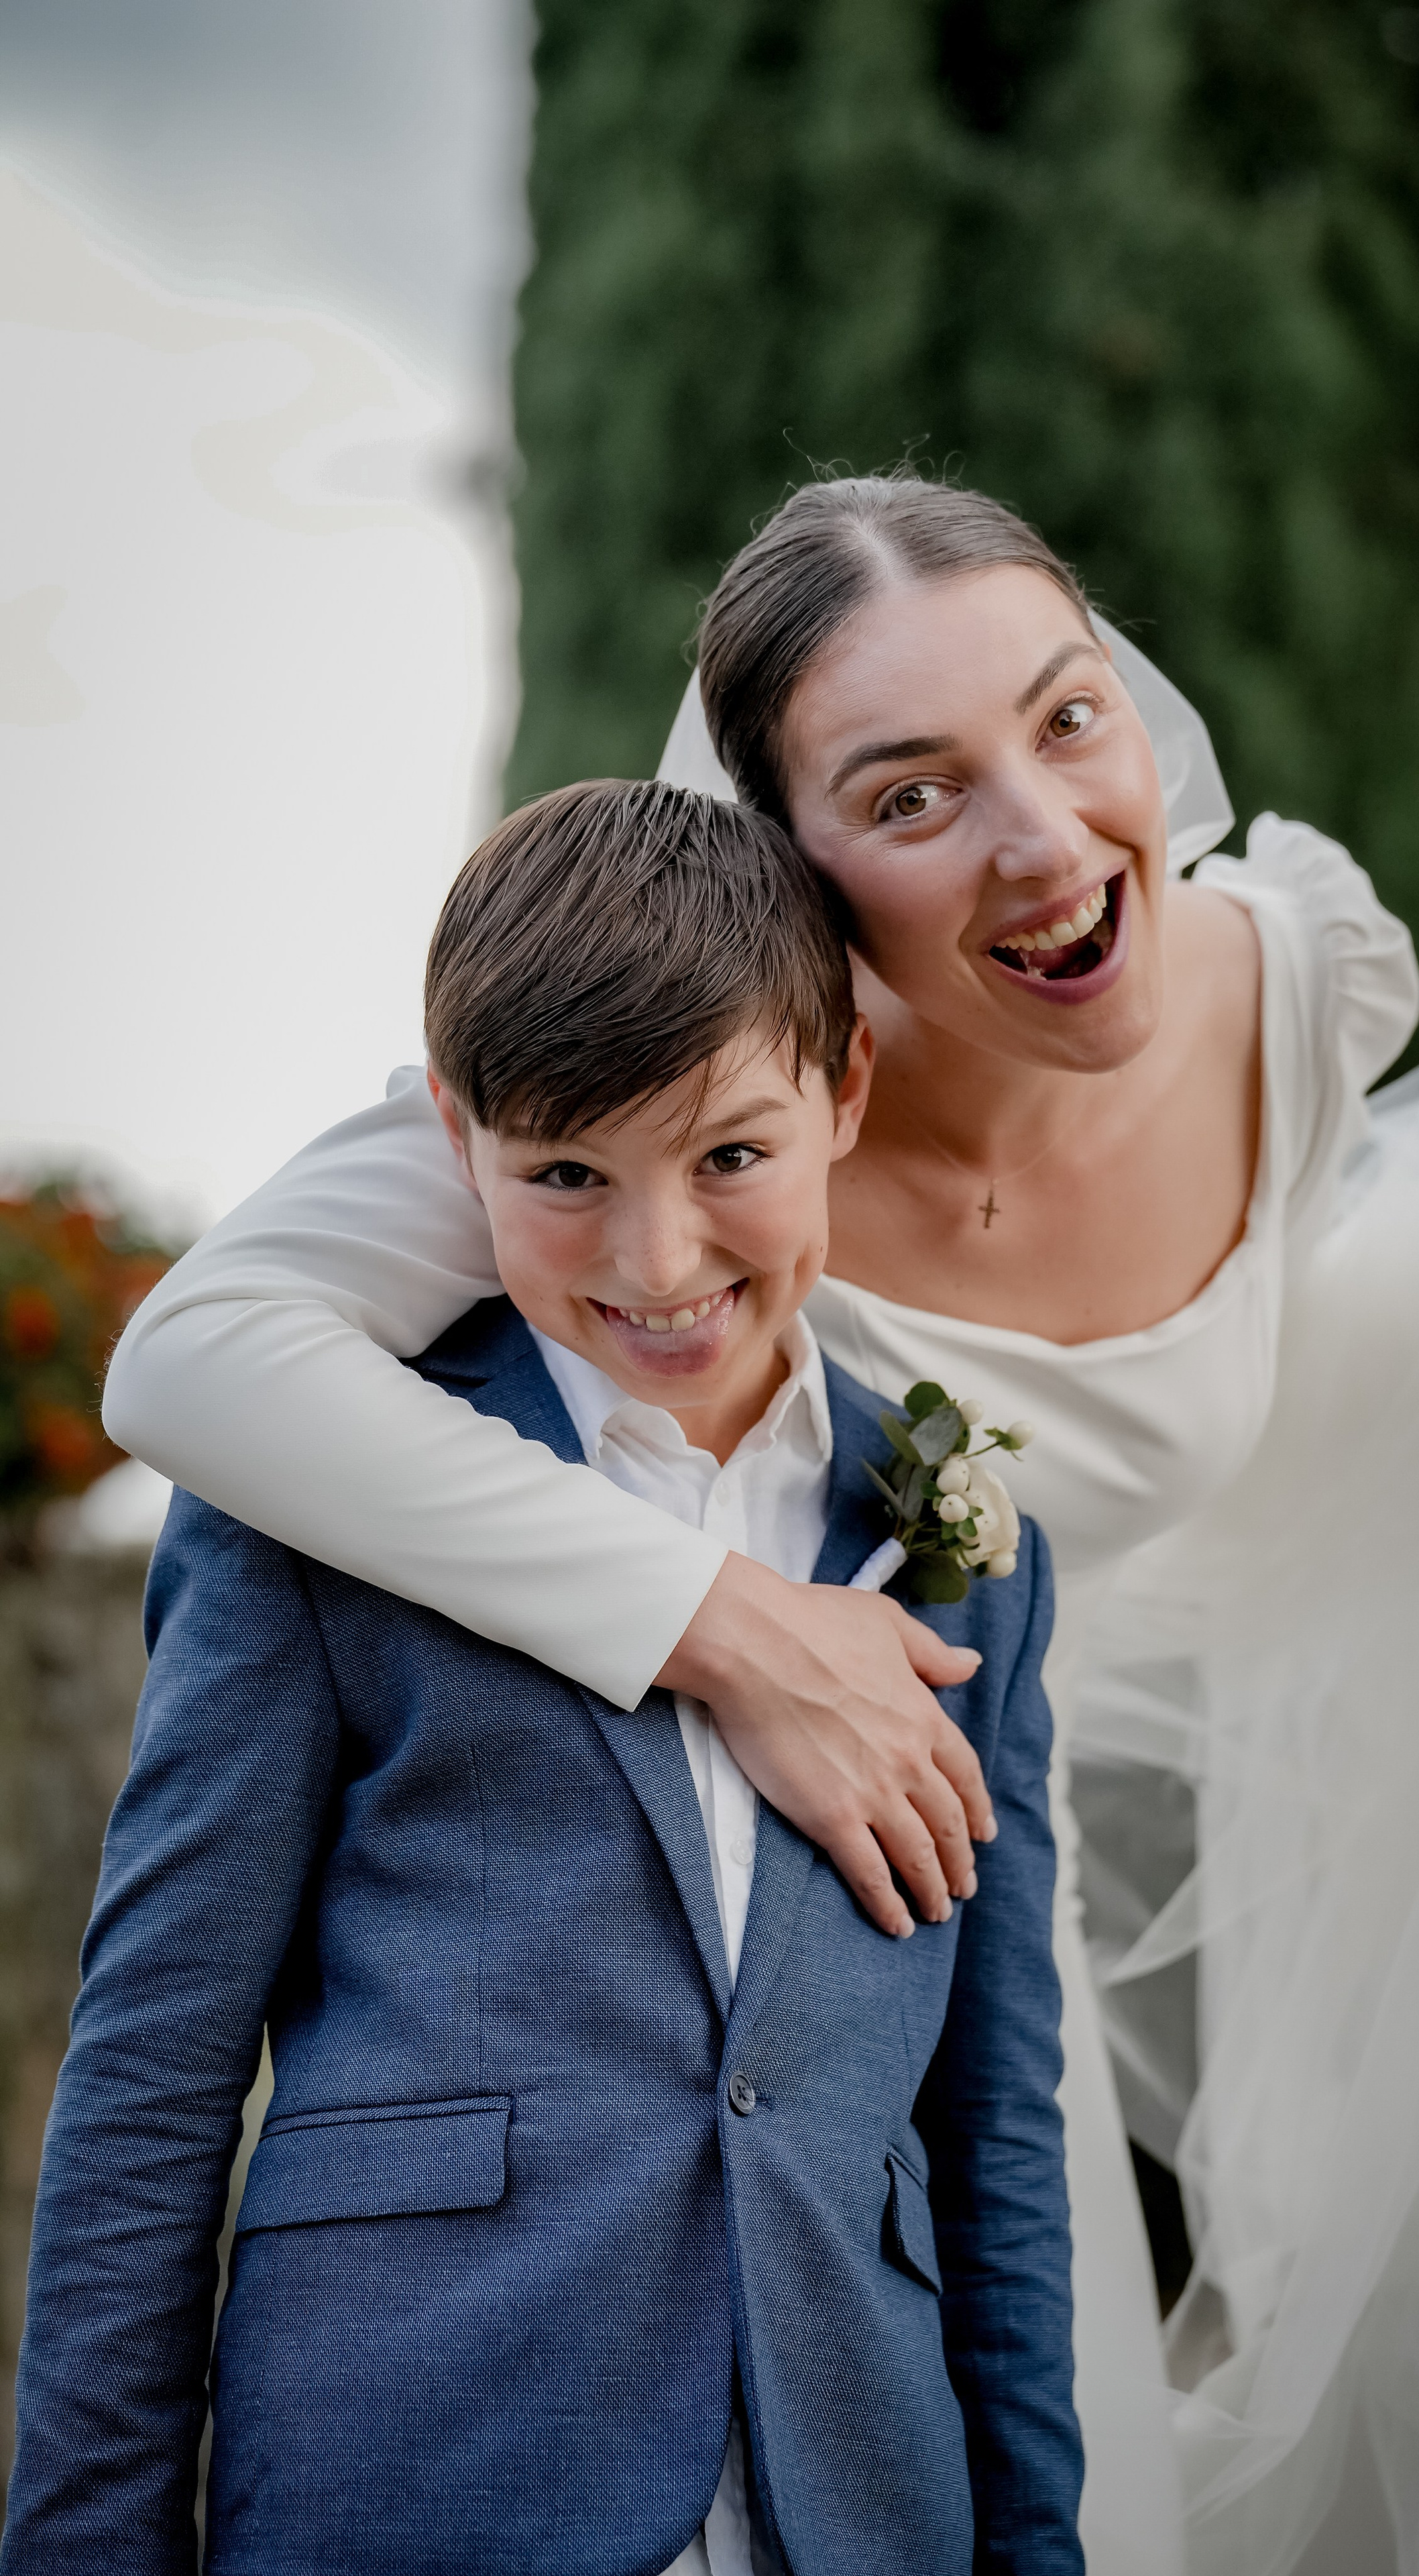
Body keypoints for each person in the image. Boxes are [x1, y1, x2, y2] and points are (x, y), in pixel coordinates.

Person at [100, 474, 1419, 2576]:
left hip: (991, 1881)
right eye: (912, 793)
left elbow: (1357, 1372)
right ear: (791, 866)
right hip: (831, 1917)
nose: (1045, 841)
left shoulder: (1306, 985)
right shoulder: (679, 1129)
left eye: (1067, 717)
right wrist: (727, 1624)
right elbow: (193, 1363)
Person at [2, 781, 1082, 2576]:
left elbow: (994, 2140)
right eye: (567, 1174)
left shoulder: (973, 1546)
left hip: (858, 2500)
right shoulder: (319, 1479)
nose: (659, 1263)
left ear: (844, 1095)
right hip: (416, 2475)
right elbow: (152, 2081)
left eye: (729, 1159)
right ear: (458, 1135)